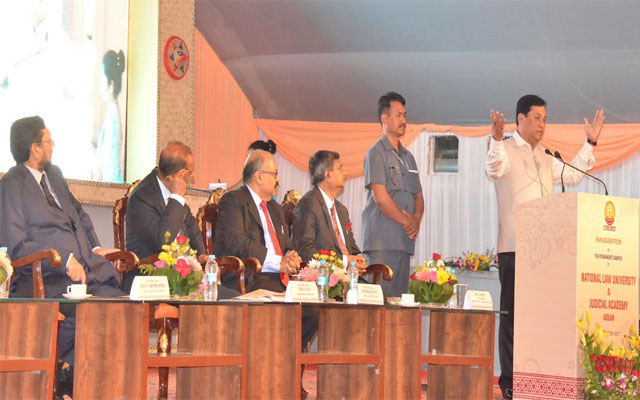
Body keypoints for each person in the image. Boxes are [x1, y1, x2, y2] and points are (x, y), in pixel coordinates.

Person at [485, 94, 604, 399]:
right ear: (520, 119)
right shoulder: (503, 149)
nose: (542, 124)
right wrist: (496, 139)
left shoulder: (546, 155)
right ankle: (510, 383)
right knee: (513, 318)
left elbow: (573, 175)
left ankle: (536, 379)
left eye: (545, 119)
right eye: (537, 118)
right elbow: (493, 169)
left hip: (545, 254)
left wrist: (590, 142)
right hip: (515, 248)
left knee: (539, 318)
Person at [0, 116, 124, 397]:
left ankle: (88, 380)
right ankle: (66, 377)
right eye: (48, 140)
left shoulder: (53, 175)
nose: (53, 145)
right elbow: (15, 245)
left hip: (87, 272)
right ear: (34, 148)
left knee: (121, 307)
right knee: (87, 315)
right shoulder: (11, 184)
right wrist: (64, 260)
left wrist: (95, 248)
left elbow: (79, 214)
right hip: (46, 278)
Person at [214, 150, 318, 349]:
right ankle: (270, 358)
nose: (278, 180)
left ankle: (285, 357)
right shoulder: (233, 201)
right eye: (274, 174)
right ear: (258, 176)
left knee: (313, 310)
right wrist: (278, 262)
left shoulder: (275, 209)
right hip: (251, 277)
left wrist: (290, 256)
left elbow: (286, 245)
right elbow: (238, 242)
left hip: (280, 280)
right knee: (278, 309)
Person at [123, 141, 238, 299]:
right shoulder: (142, 197)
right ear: (179, 175)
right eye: (190, 173)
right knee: (226, 300)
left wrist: (202, 256)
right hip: (153, 280)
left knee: (234, 298)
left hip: (184, 278)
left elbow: (190, 225)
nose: (192, 177)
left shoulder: (171, 192)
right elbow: (163, 241)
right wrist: (177, 196)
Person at [361, 92, 424, 297]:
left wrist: (416, 220)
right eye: (398, 115)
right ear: (385, 118)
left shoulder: (409, 157)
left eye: (405, 115)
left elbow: (419, 196)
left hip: (404, 243)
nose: (403, 120)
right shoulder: (375, 152)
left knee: (399, 305)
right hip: (382, 242)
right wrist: (408, 222)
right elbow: (380, 198)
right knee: (379, 303)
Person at [292, 150, 367, 275]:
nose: (345, 174)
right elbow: (305, 251)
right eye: (340, 169)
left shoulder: (342, 210)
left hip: (348, 278)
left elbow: (351, 246)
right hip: (323, 278)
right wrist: (344, 262)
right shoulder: (308, 204)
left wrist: (359, 258)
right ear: (327, 174)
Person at [94, 49, 125, 183]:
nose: (100, 87)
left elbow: (112, 169)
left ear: (111, 85)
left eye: (102, 82)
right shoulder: (111, 116)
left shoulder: (113, 121)